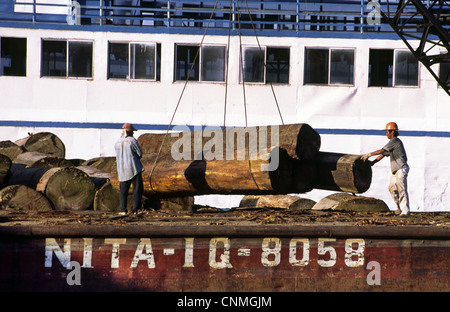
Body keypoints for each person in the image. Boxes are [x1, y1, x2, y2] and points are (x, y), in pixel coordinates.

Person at [361, 122, 410, 216]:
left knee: (402, 190)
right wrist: (373, 162)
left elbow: (382, 150)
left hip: (401, 169)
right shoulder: (393, 144)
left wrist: (369, 154)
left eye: (387, 131)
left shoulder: (395, 141)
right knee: (391, 188)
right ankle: (399, 208)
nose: (386, 134)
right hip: (396, 170)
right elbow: (383, 154)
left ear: (392, 132)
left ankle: (405, 212)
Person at [114, 123, 144, 215]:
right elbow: (140, 154)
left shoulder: (117, 142)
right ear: (130, 132)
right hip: (134, 169)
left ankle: (123, 210)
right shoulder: (132, 141)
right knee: (137, 190)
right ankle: (136, 209)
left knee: (123, 191)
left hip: (122, 170)